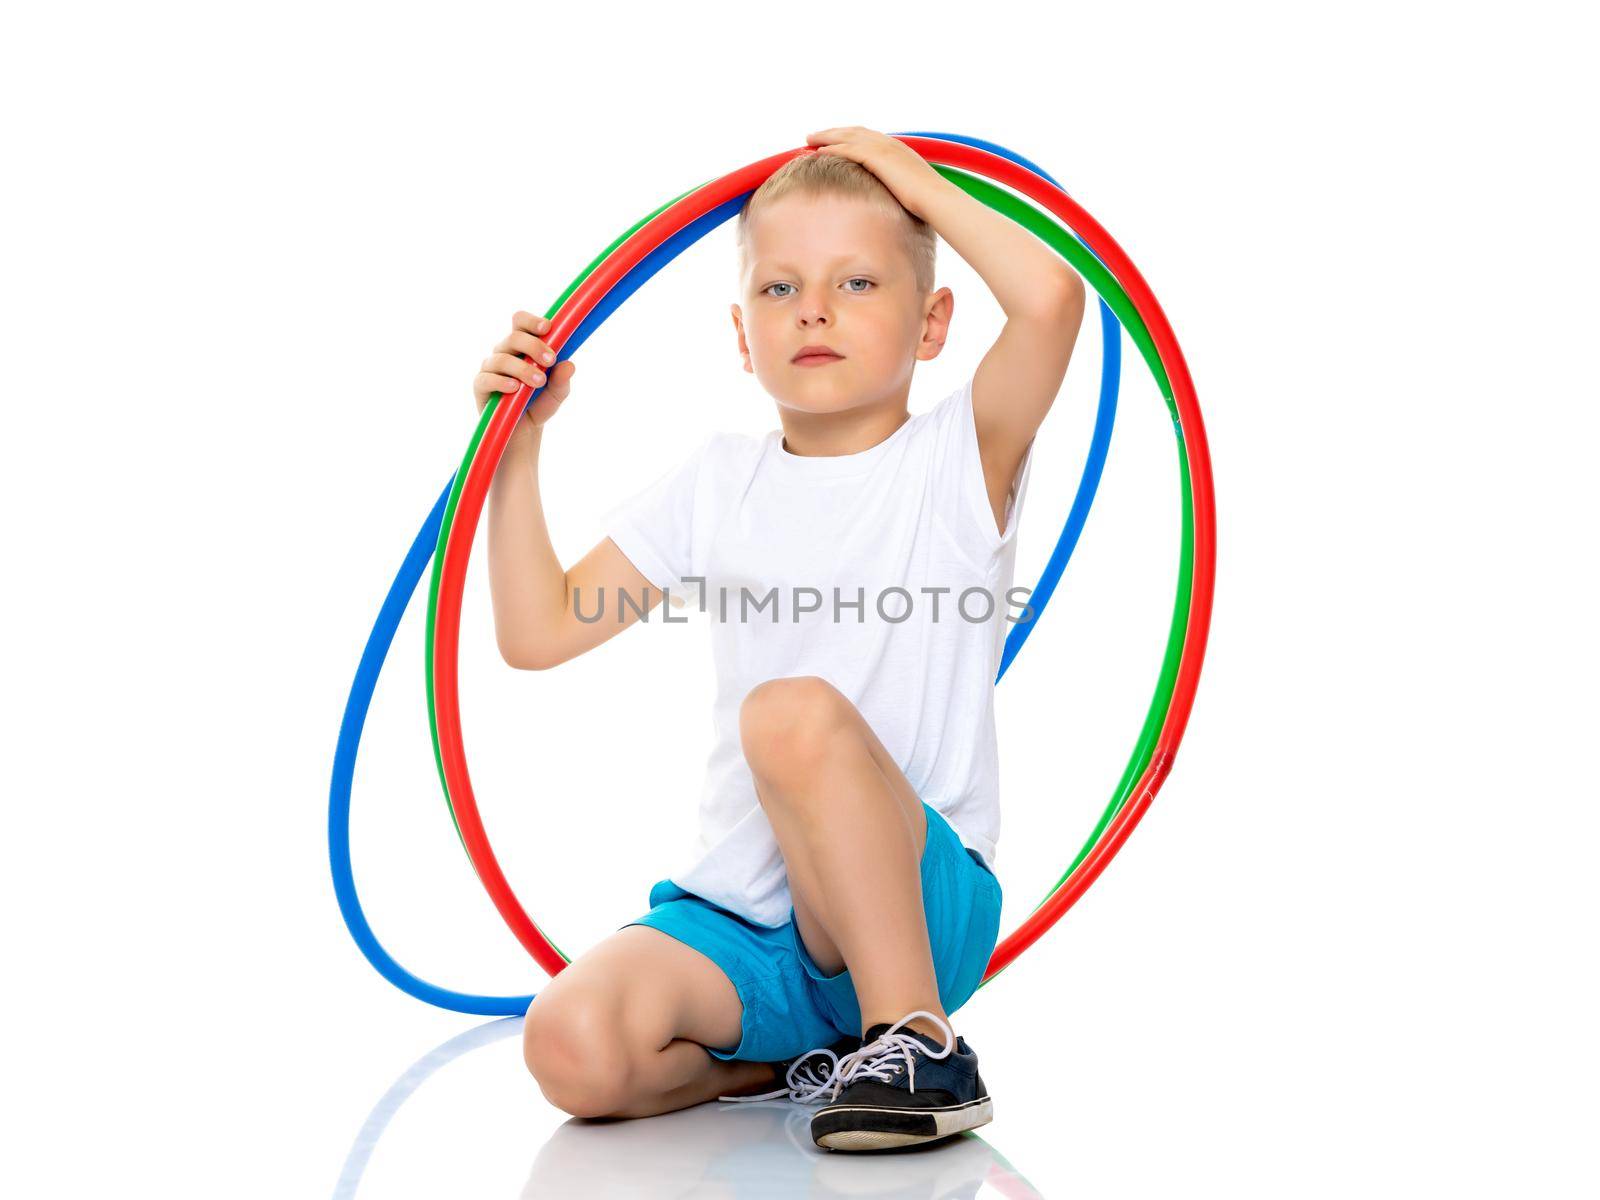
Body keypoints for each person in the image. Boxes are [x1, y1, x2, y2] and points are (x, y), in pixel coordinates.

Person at [473, 126, 1087, 1152]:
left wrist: (913, 181)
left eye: (857, 284)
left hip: (918, 908)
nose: (812, 308)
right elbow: (538, 631)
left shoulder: (957, 460)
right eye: (778, 289)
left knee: (789, 716)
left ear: (932, 323)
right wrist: (516, 443)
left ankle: (916, 1040)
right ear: (739, 333)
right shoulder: (719, 481)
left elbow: (1053, 300)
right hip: (746, 925)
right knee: (570, 1045)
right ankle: (796, 1063)